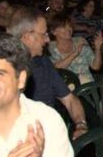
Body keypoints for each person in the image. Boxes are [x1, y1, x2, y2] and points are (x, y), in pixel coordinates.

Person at [9, 7, 88, 139]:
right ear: (27, 37)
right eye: (44, 34)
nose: (47, 40)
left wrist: (81, 124)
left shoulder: (43, 62)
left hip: (49, 133)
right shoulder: (5, 69)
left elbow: (69, 99)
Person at [46, 11, 100, 85]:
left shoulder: (80, 41)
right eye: (63, 27)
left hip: (86, 87)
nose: (68, 29)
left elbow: (95, 66)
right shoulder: (49, 48)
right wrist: (75, 53)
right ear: (53, 31)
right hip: (64, 89)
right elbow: (55, 69)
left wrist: (98, 48)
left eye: (69, 26)